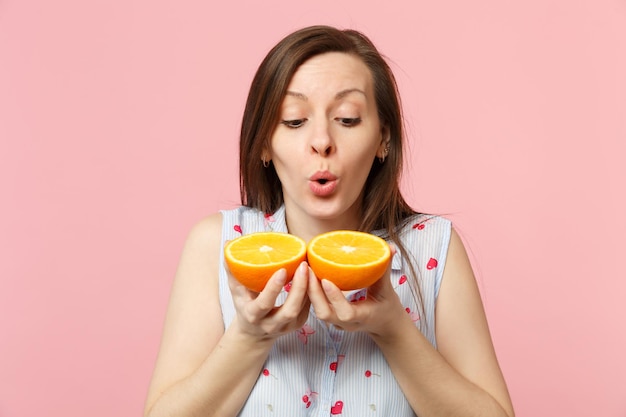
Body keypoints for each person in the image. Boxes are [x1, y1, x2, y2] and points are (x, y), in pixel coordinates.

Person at [143, 25, 515, 417]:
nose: (321, 140)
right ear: (264, 144)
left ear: (384, 139)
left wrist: (393, 329)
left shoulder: (432, 248)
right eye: (293, 120)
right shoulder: (220, 245)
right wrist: (250, 337)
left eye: (347, 118)